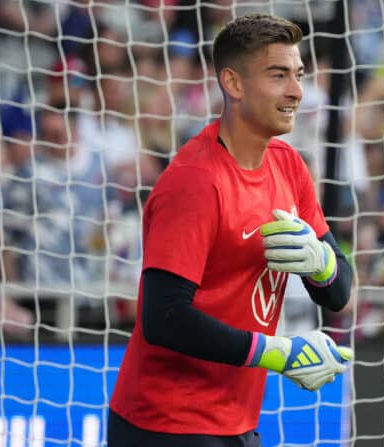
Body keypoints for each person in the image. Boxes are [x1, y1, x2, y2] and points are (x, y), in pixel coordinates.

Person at [108, 13, 353, 446]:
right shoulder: (197, 180)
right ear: (234, 84)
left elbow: (336, 294)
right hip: (165, 423)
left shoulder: (288, 165)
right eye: (278, 76)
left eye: (298, 75)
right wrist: (275, 351)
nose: (296, 91)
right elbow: (164, 318)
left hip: (236, 421)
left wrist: (322, 264)